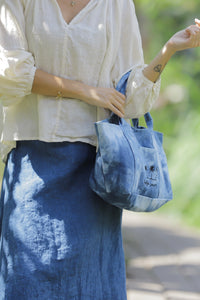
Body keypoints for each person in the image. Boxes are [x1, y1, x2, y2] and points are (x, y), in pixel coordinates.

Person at [0, 0, 200, 299]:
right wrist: (85, 90)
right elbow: (9, 72)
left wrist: (168, 50)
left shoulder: (117, 5)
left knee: (89, 285)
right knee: (26, 280)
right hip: (32, 163)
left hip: (93, 170)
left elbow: (128, 101)